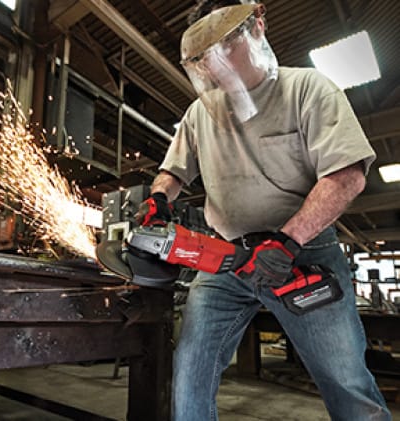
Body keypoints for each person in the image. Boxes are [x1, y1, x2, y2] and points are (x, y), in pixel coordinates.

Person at [135, 1, 392, 420]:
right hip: (225, 263)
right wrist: (158, 199)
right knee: (190, 373)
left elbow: (346, 176)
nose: (215, 63)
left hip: (302, 255)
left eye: (225, 45)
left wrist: (288, 241)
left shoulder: (307, 88)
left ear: (257, 26)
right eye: (204, 57)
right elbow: (172, 171)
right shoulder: (200, 113)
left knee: (346, 382)